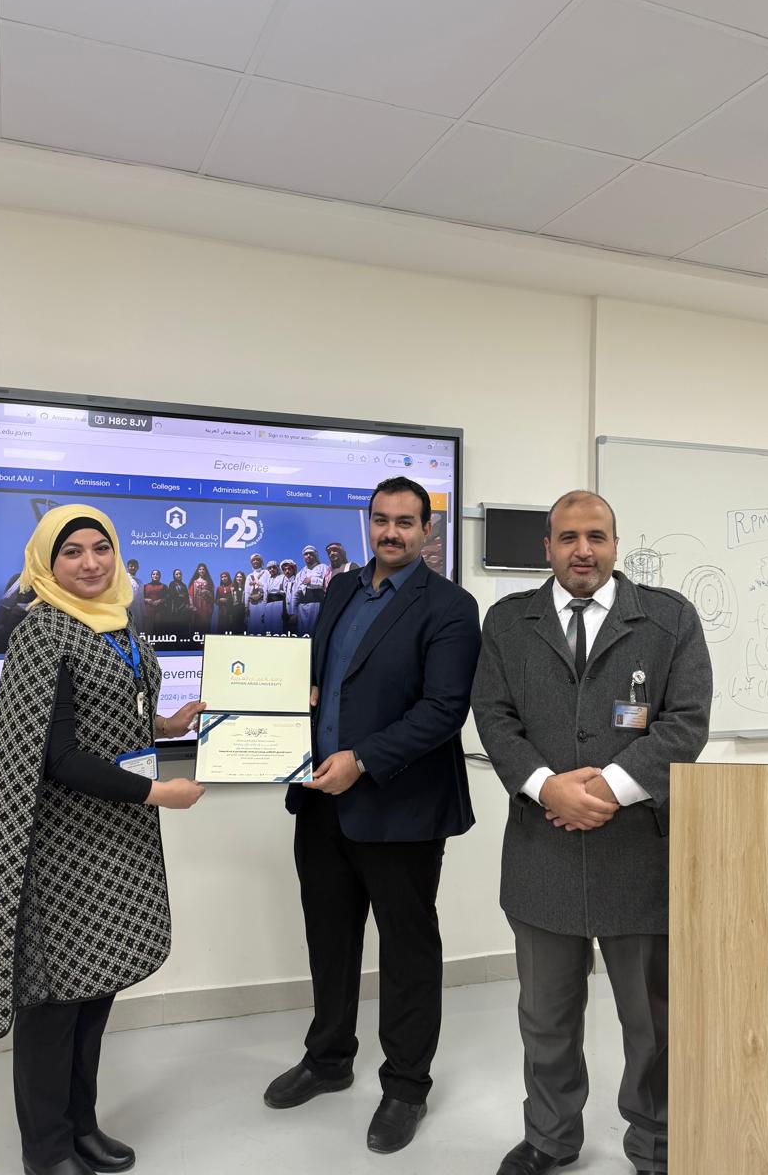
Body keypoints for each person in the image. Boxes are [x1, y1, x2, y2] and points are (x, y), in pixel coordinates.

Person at [471, 490, 713, 1175]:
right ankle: (550, 1138)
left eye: (596, 537)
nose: (583, 550)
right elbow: (493, 717)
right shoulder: (508, 622)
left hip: (640, 857)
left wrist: (606, 789)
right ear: (547, 547)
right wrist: (546, 786)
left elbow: (685, 723)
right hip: (541, 853)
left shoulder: (669, 619)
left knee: (653, 1024)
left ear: (615, 544)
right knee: (546, 1018)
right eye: (569, 537)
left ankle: (657, 1146)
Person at [0, 504, 205, 1175]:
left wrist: (166, 725)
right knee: (54, 1005)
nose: (90, 563)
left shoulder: (118, 622)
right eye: (71, 551)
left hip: (117, 841)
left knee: (95, 993)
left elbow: (111, 716)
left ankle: (81, 1126)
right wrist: (158, 793)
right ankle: (46, 1150)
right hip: (63, 849)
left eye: (100, 548)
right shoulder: (42, 632)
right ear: (46, 563)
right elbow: (58, 756)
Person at [264, 477, 481, 1155]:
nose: (391, 532)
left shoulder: (450, 606)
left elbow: (443, 710)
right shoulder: (339, 589)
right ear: (369, 523)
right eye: (381, 520)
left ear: (426, 531)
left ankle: (406, 1085)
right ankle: (329, 1059)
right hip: (320, 801)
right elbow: (325, 679)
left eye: (405, 522)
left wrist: (361, 759)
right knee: (329, 939)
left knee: (407, 949)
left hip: (401, 807)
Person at [295, 544, 329, 635]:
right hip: (301, 607)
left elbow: (328, 583)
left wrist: (312, 580)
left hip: (316, 604)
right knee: (302, 633)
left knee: (315, 631)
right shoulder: (300, 573)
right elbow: (296, 592)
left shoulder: (323, 567)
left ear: (315, 555)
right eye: (306, 554)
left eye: (311, 554)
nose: (308, 556)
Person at [188, 562, 215, 637]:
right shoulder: (194, 582)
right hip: (196, 605)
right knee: (195, 624)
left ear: (205, 571)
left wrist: (207, 592)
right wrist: (191, 605)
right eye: (200, 569)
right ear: (197, 571)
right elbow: (190, 594)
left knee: (205, 623)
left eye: (203, 569)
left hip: (205, 606)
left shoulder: (208, 582)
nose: (201, 571)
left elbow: (212, 596)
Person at [261, 559, 286, 635]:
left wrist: (279, 591)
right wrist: (263, 612)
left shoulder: (283, 577)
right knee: (268, 627)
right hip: (268, 605)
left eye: (274, 567)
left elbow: (285, 591)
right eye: (270, 568)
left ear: (277, 568)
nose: (272, 569)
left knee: (277, 626)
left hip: (279, 604)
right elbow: (265, 596)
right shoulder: (267, 580)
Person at [142, 568, 167, 633]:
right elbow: (141, 597)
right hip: (148, 611)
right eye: (153, 574)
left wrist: (160, 600)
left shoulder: (164, 586)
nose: (155, 575)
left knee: (159, 630)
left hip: (160, 611)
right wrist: (146, 600)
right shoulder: (145, 586)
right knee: (148, 630)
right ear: (151, 576)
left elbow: (168, 597)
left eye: (157, 574)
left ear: (160, 576)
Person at [124, 558, 144, 630]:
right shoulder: (124, 577)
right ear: (127, 567)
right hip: (126, 609)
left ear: (137, 568)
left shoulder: (139, 582)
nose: (133, 568)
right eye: (131, 566)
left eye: (135, 566)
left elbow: (141, 599)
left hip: (137, 612)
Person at [231, 571, 248, 636]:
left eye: (240, 577)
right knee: (235, 630)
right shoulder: (232, 588)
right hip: (235, 613)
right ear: (235, 578)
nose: (239, 578)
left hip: (244, 612)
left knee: (244, 630)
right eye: (237, 577)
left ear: (243, 578)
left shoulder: (246, 588)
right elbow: (230, 602)